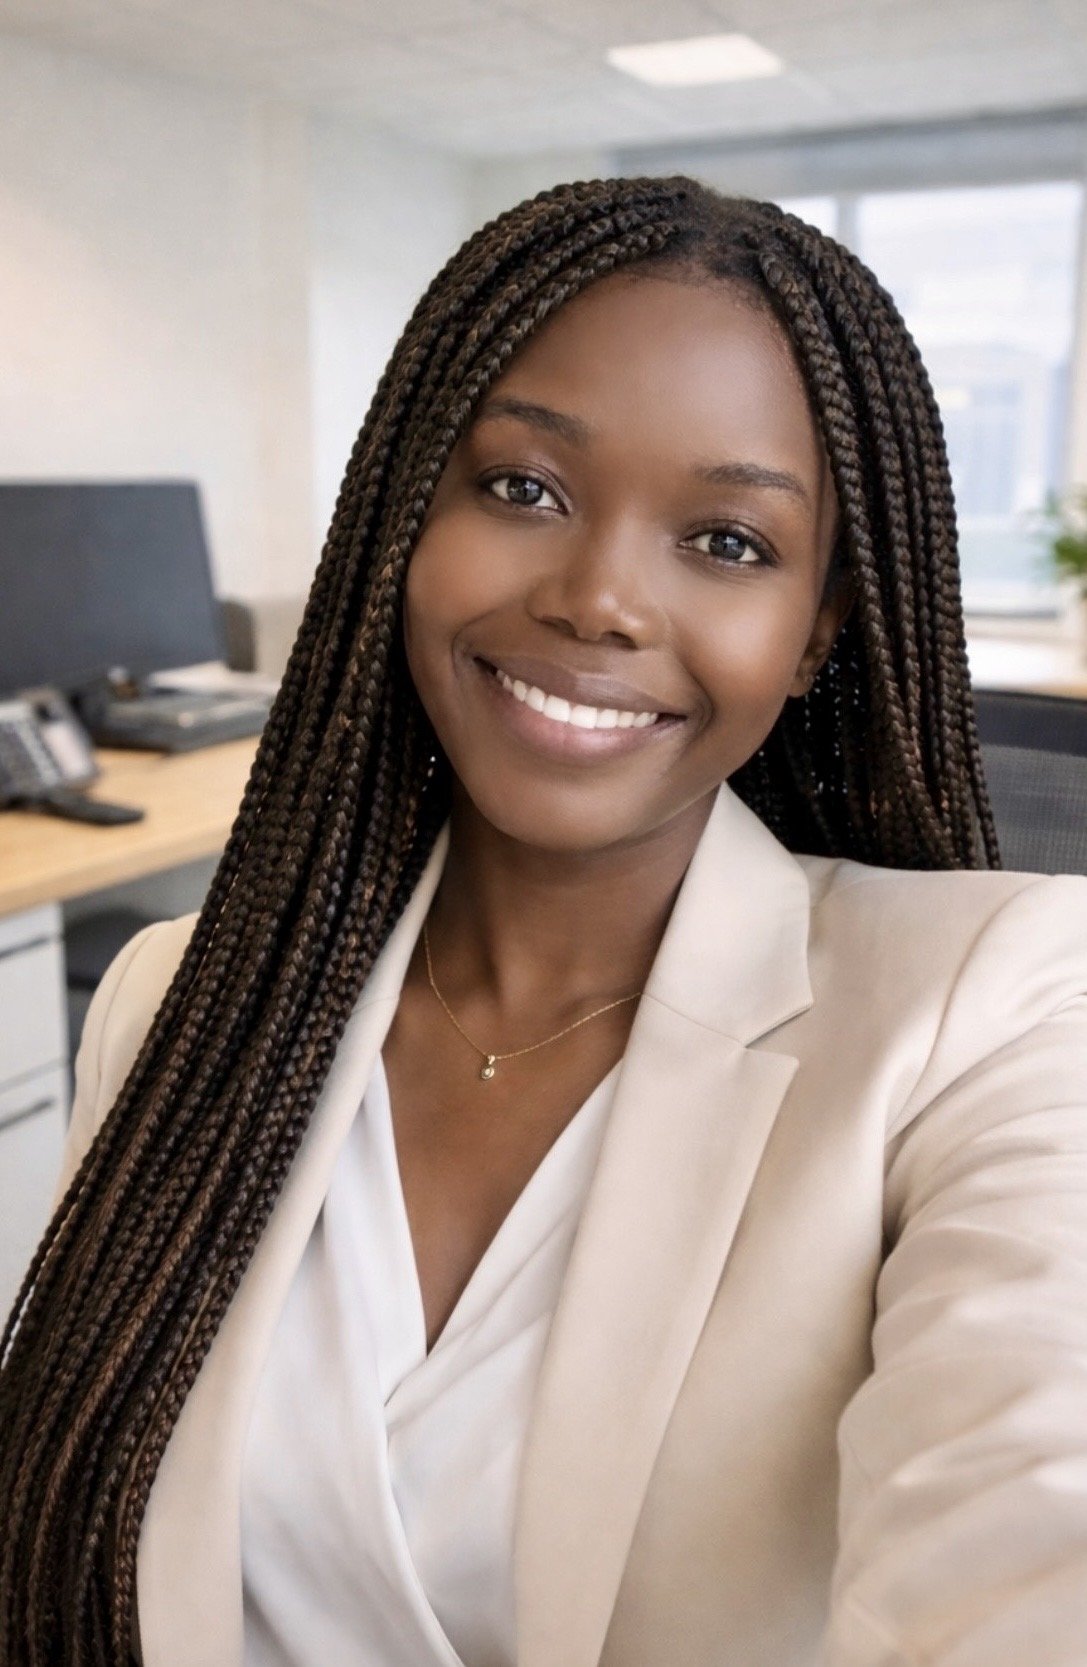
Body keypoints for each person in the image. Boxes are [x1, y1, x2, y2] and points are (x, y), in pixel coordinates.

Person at [1, 176, 1085, 1667]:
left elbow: (1035, 1521)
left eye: (727, 542)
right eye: (523, 489)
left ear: (817, 627)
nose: (598, 601)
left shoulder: (992, 1009)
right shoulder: (176, 999)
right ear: (405, 516)